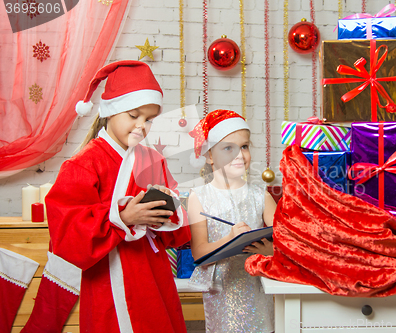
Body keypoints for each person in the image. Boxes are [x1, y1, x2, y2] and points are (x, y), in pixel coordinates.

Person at [44, 60, 191, 333]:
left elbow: (177, 229)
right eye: (133, 115)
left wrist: (163, 214)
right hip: (109, 276)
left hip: (153, 271)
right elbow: (65, 230)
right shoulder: (84, 163)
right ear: (111, 112)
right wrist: (122, 218)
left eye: (148, 119)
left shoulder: (152, 159)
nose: (141, 126)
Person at [187, 110, 276, 333]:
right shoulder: (199, 197)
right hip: (222, 292)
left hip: (258, 288)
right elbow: (199, 253)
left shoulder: (261, 195)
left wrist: (270, 249)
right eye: (228, 148)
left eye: (244, 146)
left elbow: (288, 241)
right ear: (210, 156)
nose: (239, 155)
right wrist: (229, 239)